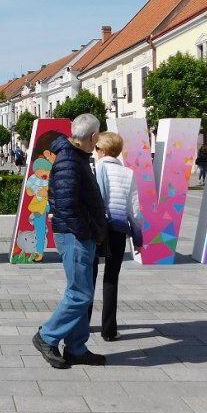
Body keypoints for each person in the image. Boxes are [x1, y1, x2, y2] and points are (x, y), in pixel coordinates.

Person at [32, 114, 108, 369]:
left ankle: (76, 347)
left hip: (78, 234)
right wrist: (84, 231)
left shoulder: (75, 157)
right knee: (80, 294)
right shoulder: (69, 160)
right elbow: (65, 204)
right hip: (75, 235)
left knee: (80, 292)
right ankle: (47, 336)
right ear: (94, 136)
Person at [92, 131, 143, 342]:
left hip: (95, 230)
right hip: (118, 230)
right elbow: (135, 210)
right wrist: (138, 237)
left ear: (101, 150)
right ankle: (109, 330)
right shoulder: (128, 173)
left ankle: (82, 326)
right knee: (111, 279)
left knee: (88, 277)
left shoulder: (93, 169)